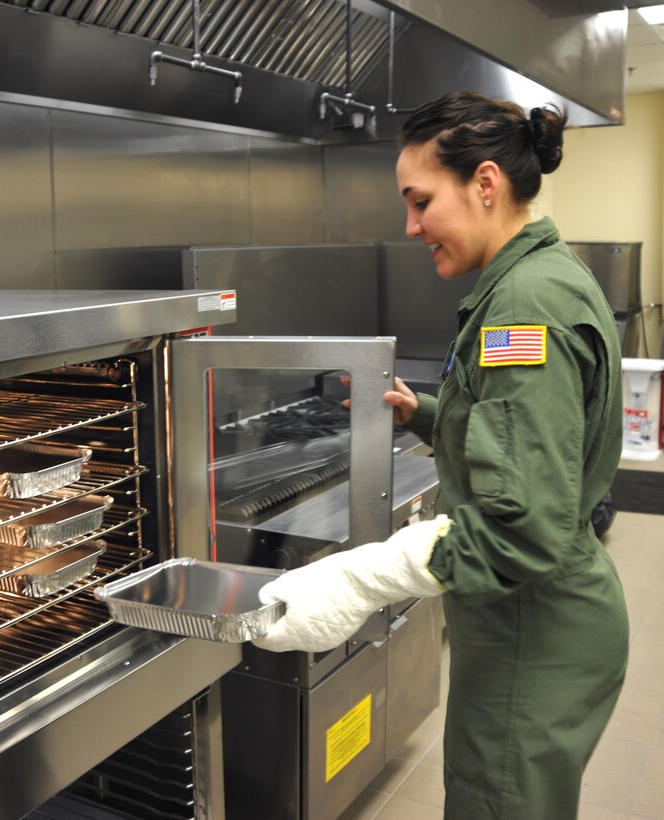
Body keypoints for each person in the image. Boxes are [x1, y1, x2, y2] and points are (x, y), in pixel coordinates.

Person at [253, 91, 628, 819]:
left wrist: (365, 578)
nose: (411, 224)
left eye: (421, 200)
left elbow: (521, 530)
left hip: (533, 625)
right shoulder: (538, 275)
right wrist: (425, 412)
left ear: (485, 184)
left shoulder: (524, 307)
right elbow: (529, 432)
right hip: (535, 617)